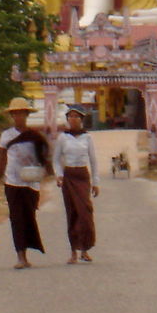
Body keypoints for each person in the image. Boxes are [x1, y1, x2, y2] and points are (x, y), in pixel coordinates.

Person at [0, 97, 49, 269]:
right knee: (16, 218)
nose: (18, 117)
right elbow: (2, 158)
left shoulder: (34, 136)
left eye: (21, 113)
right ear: (12, 116)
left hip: (30, 183)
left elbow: (43, 156)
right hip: (12, 182)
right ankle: (20, 256)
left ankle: (28, 250)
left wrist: (42, 168)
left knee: (29, 217)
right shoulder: (6, 135)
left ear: (26, 115)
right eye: (15, 114)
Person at [52, 105, 100, 263]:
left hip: (82, 176)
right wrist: (59, 175)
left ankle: (85, 249)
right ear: (67, 120)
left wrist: (96, 181)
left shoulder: (87, 138)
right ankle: (73, 251)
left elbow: (93, 160)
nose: (73, 120)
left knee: (85, 212)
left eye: (77, 117)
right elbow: (56, 159)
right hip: (69, 176)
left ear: (82, 120)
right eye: (70, 117)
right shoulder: (62, 138)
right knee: (72, 212)